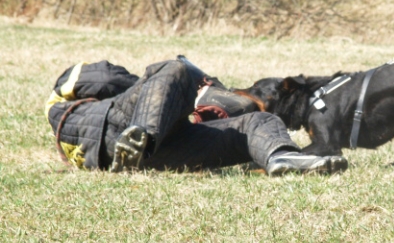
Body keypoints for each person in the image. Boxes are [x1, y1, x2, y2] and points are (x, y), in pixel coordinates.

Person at [44, 56, 348, 176]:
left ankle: (282, 157)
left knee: (261, 120)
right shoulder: (67, 96)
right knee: (177, 69)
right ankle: (139, 141)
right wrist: (182, 89)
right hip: (111, 127)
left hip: (155, 148)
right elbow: (111, 82)